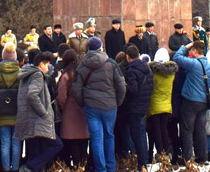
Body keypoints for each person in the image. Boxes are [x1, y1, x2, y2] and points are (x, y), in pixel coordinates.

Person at [72, 37, 126, 172]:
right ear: (101, 48)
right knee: (109, 135)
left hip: (91, 107)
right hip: (109, 106)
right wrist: (117, 102)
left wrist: (83, 103)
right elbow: (121, 86)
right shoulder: (111, 64)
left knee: (96, 138)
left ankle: (100, 168)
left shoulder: (82, 65)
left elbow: (76, 89)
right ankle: (111, 166)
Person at [13, 52, 62, 172]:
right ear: (41, 64)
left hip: (27, 119)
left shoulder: (27, 74)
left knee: (34, 150)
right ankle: (29, 166)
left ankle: (29, 167)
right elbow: (32, 95)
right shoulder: (37, 75)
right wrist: (43, 112)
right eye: (47, 65)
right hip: (36, 119)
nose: (47, 68)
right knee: (57, 145)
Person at [172, 41, 210, 165]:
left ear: (195, 51)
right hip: (203, 101)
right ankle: (203, 157)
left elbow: (177, 57)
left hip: (190, 101)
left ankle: (187, 157)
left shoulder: (194, 64)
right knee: (200, 129)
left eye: (191, 51)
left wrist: (185, 47)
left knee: (186, 130)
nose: (190, 53)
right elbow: (209, 84)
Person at [122, 46, 154, 172]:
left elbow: (133, 89)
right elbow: (151, 86)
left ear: (127, 57)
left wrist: (125, 86)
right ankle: (144, 161)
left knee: (137, 136)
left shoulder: (131, 71)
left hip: (134, 107)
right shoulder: (147, 69)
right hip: (144, 105)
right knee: (141, 133)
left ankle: (142, 163)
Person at [56, 50, 89, 168]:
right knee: (83, 140)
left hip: (69, 111)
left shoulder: (66, 76)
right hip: (83, 111)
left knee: (72, 140)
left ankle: (75, 166)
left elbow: (61, 96)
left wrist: (61, 108)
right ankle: (83, 164)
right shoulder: (82, 74)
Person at [0, 43, 22, 172]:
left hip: (2, 112)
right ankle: (15, 167)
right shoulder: (20, 73)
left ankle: (5, 168)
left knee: (4, 143)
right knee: (16, 142)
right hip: (17, 113)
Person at [147, 48, 177, 162]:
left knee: (157, 130)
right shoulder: (171, 73)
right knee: (164, 129)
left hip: (155, 105)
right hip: (167, 105)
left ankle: (159, 152)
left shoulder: (153, 73)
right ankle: (167, 151)